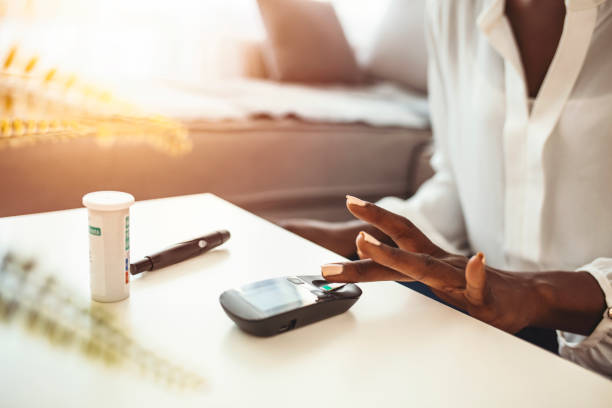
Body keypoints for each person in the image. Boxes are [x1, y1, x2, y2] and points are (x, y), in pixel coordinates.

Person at [281, 0, 612, 376]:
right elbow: (460, 182)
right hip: (491, 336)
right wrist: (356, 238)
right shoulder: (452, 8)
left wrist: (539, 294)